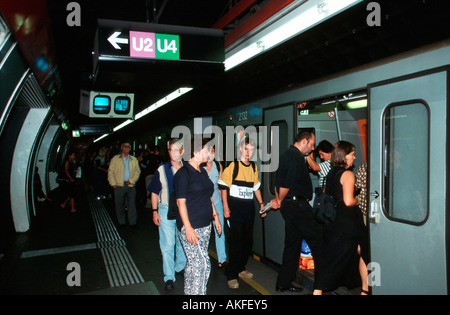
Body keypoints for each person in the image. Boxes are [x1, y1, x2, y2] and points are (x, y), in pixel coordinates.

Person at [270, 130, 323, 294]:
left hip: (290, 205)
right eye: (312, 144)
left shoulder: (287, 154)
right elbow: (285, 183)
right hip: (297, 206)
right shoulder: (294, 157)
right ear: (304, 141)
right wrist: (279, 199)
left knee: (292, 244)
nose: (313, 148)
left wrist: (279, 198)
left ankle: (283, 283)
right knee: (319, 240)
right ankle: (322, 285)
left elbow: (276, 182)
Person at [318, 141, 369, 295]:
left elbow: (328, 195)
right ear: (345, 156)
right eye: (352, 154)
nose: (354, 157)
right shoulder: (347, 174)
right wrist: (358, 198)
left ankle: (317, 292)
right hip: (348, 225)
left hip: (333, 223)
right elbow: (348, 201)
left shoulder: (330, 174)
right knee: (365, 252)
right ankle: (365, 290)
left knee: (330, 260)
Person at [174, 136, 222, 295]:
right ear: (195, 152)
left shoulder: (201, 171)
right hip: (191, 227)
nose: (209, 152)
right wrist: (187, 227)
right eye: (206, 149)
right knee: (203, 265)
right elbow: (181, 202)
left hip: (205, 226)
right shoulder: (183, 174)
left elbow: (208, 195)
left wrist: (215, 216)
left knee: (193, 264)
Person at [218, 137, 265, 289]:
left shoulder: (253, 167)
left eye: (251, 149)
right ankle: (231, 275)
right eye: (245, 149)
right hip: (235, 212)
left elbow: (256, 187)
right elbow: (223, 187)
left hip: (248, 211)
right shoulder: (233, 166)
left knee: (247, 242)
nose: (248, 152)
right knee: (235, 243)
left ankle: (241, 267)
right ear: (240, 150)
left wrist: (262, 205)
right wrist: (225, 206)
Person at [148, 139, 186, 290]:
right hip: (165, 210)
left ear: (182, 152)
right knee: (168, 244)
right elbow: (154, 192)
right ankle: (169, 277)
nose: (173, 153)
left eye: (177, 150)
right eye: (171, 150)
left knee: (183, 243)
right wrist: (154, 211)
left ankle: (180, 267)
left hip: (182, 211)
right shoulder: (161, 169)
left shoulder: (187, 169)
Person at [201, 143, 227, 268]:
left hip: (217, 203)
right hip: (204, 205)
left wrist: (224, 204)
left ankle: (222, 259)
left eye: (212, 151)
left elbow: (222, 187)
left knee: (220, 231)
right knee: (204, 233)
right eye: (208, 151)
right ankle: (203, 258)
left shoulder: (218, 166)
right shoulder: (200, 168)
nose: (210, 154)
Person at [108, 142, 141, 227]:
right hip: (119, 184)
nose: (127, 148)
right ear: (121, 148)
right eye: (125, 147)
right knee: (119, 204)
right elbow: (110, 172)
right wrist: (113, 183)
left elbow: (138, 171)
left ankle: (133, 222)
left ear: (130, 149)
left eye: (128, 147)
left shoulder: (133, 159)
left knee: (132, 204)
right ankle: (121, 222)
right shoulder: (115, 159)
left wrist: (132, 180)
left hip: (130, 185)